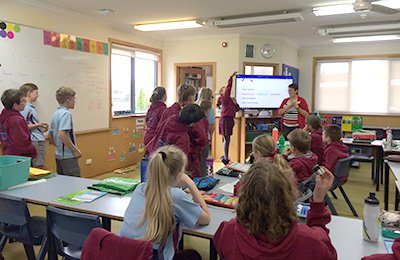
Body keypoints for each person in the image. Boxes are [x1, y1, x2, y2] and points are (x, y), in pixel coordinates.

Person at [214, 160, 337, 260]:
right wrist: (318, 200)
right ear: (289, 196)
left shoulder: (227, 231)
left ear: (243, 197)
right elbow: (326, 249)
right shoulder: (310, 241)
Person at [119, 145, 210, 260]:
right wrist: (191, 184)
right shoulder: (176, 196)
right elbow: (205, 219)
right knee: (193, 256)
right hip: (153, 256)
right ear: (179, 174)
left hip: (126, 253)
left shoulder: (140, 188)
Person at [48, 86, 81, 177]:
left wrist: (58, 146)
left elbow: (49, 136)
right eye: (73, 99)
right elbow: (62, 134)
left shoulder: (56, 113)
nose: (74, 101)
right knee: (74, 183)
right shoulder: (66, 114)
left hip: (58, 155)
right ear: (67, 101)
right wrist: (75, 150)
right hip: (68, 157)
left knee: (63, 183)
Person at [0, 89, 36, 158]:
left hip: (7, 154)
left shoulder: (3, 116)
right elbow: (21, 142)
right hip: (19, 157)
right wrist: (32, 150)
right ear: (15, 105)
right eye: (23, 101)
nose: (25, 102)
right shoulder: (16, 120)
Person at [19, 83, 49, 168]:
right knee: (39, 166)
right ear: (29, 93)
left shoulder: (30, 108)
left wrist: (41, 128)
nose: (38, 95)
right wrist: (38, 125)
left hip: (36, 138)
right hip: (35, 141)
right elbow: (22, 126)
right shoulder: (26, 108)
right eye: (36, 92)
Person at [218, 72, 240, 165]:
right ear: (222, 92)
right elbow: (229, 88)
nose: (226, 90)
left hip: (229, 119)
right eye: (224, 89)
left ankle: (225, 156)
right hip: (226, 119)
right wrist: (231, 77)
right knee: (226, 139)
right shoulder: (224, 98)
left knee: (226, 138)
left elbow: (236, 109)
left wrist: (235, 103)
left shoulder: (229, 100)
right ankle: (226, 157)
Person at [197, 88, 216, 176]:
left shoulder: (195, 107)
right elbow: (211, 127)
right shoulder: (210, 109)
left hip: (194, 139)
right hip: (204, 139)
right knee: (203, 163)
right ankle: (202, 181)